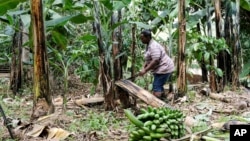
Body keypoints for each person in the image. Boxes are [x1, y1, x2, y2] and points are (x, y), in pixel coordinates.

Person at [138, 29, 174, 100]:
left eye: (142, 38)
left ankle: (158, 104)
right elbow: (149, 58)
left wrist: (145, 70)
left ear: (148, 37)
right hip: (161, 68)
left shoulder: (153, 46)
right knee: (159, 85)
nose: (141, 40)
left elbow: (155, 60)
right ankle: (163, 100)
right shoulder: (148, 45)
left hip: (164, 68)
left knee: (156, 87)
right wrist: (144, 67)